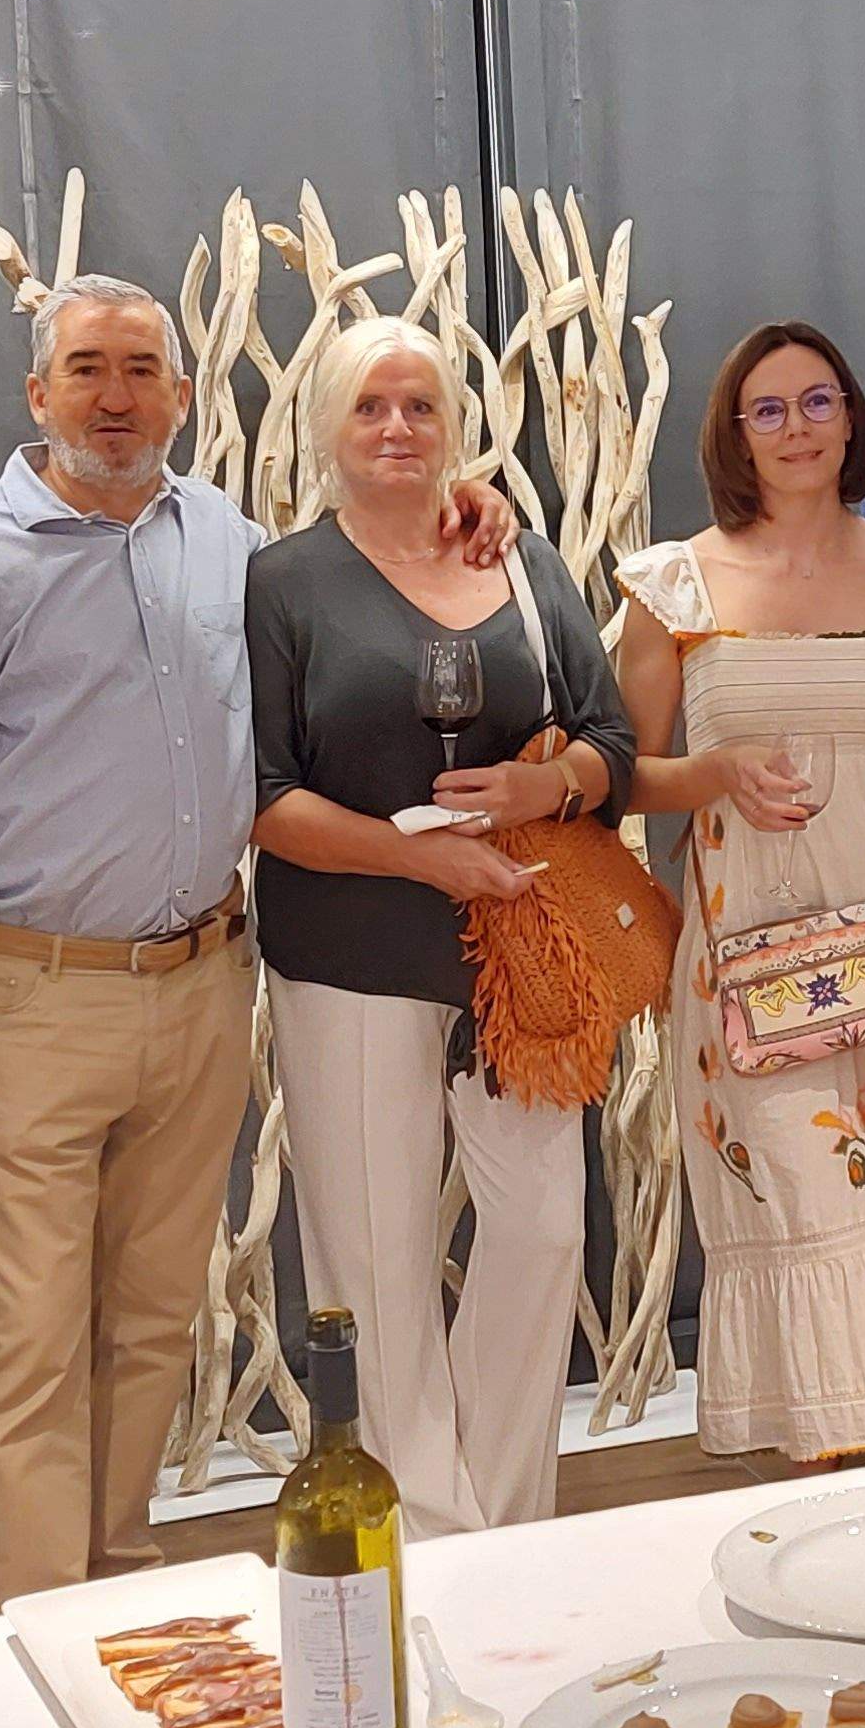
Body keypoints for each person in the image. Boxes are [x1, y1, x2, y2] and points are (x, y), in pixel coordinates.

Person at [0, 275, 263, 1619]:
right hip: (31, 998)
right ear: (38, 395)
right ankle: (17, 1631)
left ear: (184, 396)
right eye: (85, 369)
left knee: (152, 1321)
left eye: (142, 369)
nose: (115, 395)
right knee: (29, 1340)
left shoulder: (229, 542)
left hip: (206, 986)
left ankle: (115, 1595)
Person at [248, 315, 639, 1533]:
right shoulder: (283, 583)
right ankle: (423, 1536)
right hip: (353, 961)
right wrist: (427, 868)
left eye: (420, 405)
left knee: (539, 1234)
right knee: (373, 1269)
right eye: (370, 406)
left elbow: (612, 741)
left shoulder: (521, 567)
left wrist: (543, 789)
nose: (398, 427)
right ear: (327, 429)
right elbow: (263, 799)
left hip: (522, 965)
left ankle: (501, 1524)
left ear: (455, 424)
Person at [613, 320, 865, 1465]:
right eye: (768, 409)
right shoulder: (672, 584)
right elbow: (617, 769)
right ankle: (828, 1532)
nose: (795, 428)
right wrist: (717, 773)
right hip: (747, 967)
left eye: (817, 401)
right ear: (733, 433)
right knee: (805, 1213)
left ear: (852, 418)